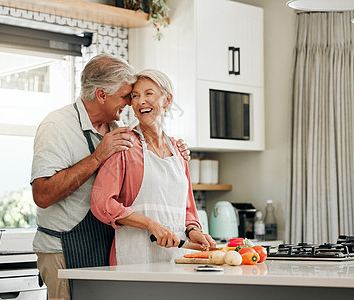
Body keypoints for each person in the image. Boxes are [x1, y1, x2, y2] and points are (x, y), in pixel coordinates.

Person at [30, 55, 190, 300]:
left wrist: (177, 151)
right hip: (63, 248)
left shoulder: (116, 130)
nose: (130, 103)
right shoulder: (57, 126)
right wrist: (97, 157)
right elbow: (42, 195)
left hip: (102, 245)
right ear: (102, 95)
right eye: (128, 96)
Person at [91, 69, 216, 266]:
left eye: (148, 94)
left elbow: (187, 208)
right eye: (135, 96)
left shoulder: (178, 151)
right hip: (134, 258)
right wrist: (151, 225)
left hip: (176, 258)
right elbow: (102, 203)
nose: (141, 101)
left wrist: (194, 231)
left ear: (167, 100)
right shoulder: (124, 145)